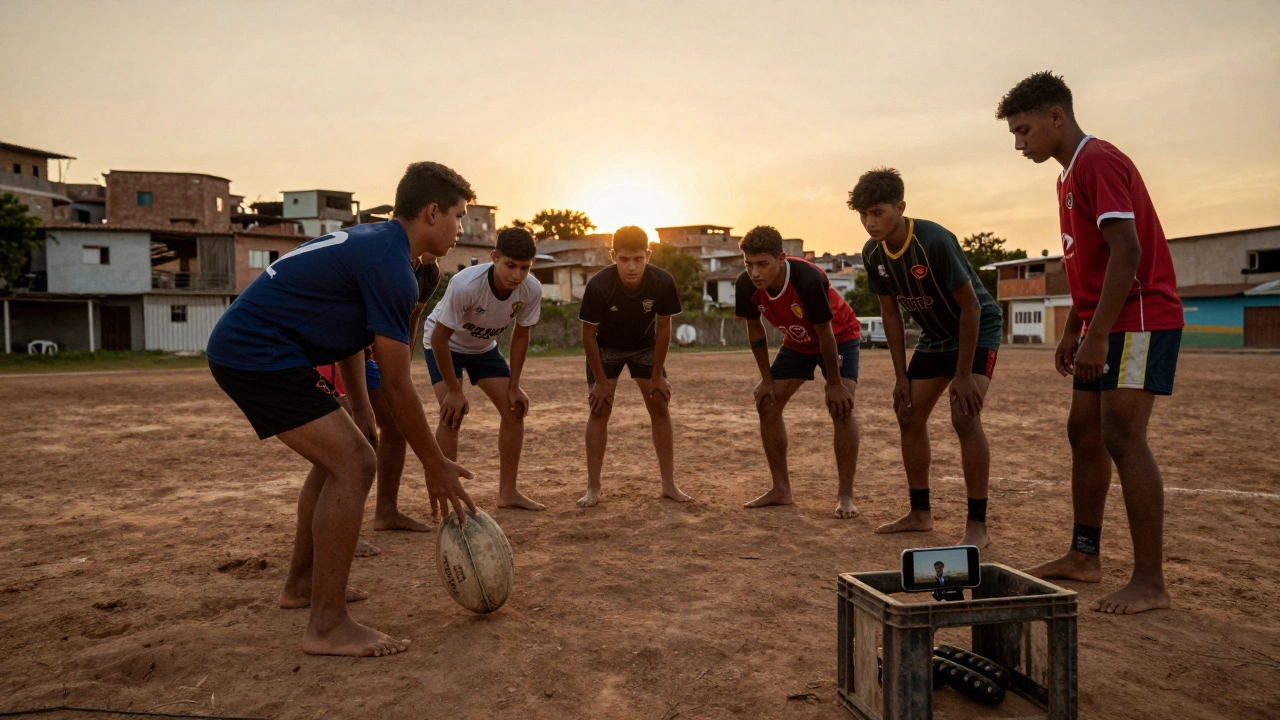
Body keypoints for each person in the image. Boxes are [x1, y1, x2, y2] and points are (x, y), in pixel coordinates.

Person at [206, 161, 478, 656]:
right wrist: (434, 463)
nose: (462, 228)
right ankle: (327, 626)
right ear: (432, 212)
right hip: (256, 352)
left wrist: (357, 404)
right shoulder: (390, 265)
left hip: (262, 349)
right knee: (355, 462)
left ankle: (302, 587)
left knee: (342, 455)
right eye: (459, 216)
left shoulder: (387, 251)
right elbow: (396, 382)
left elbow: (353, 336)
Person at [998, 71, 1184, 614]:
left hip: (1142, 316)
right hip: (1105, 320)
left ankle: (1151, 581)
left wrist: (1098, 334)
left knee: (1123, 435)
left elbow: (1126, 252)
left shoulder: (1097, 160)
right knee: (1083, 430)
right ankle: (1085, 555)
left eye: (1024, 130)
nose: (1019, 144)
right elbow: (1089, 260)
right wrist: (1076, 328)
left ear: (1056, 117)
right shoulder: (1066, 176)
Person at [850, 168, 1004, 548]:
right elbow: (890, 314)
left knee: (963, 415)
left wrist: (963, 374)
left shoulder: (933, 240)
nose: (871, 222)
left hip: (976, 328)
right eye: (863, 214)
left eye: (879, 212)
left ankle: (976, 525)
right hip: (936, 337)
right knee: (908, 414)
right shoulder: (873, 254)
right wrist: (901, 375)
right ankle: (920, 513)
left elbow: (971, 307)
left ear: (901, 207)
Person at [734, 225, 862, 518]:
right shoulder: (746, 285)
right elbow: (754, 328)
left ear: (781, 259)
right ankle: (781, 490)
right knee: (767, 403)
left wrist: (834, 383)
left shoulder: (807, 277)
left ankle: (845, 496)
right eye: (749, 264)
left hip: (838, 337)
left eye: (762, 264)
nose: (754, 272)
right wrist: (767, 379)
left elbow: (825, 333)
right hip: (798, 343)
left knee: (840, 406)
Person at [423, 226, 544, 511]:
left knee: (515, 410)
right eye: (510, 265)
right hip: (445, 344)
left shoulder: (531, 289)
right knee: (452, 414)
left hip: (483, 348)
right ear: (494, 257)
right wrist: (454, 390)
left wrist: (514, 385)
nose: (516, 275)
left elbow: (521, 335)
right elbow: (440, 337)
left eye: (524, 268)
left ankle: (508, 493)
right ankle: (449, 495)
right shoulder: (466, 284)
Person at [577, 226, 690, 507]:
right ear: (613, 255)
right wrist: (601, 382)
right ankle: (593, 488)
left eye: (638, 259)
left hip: (644, 347)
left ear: (648, 255)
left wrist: (657, 376)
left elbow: (664, 328)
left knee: (659, 404)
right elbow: (588, 335)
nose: (631, 266)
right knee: (600, 407)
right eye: (624, 259)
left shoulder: (662, 281)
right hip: (606, 348)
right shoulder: (599, 285)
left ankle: (669, 485)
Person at [354, 252, 446, 556]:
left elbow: (412, 317)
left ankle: (386, 513)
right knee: (352, 441)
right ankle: (342, 529)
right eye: (456, 218)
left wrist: (401, 362)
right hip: (344, 350)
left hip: (377, 353)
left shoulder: (429, 272)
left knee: (394, 428)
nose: (458, 230)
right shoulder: (382, 259)